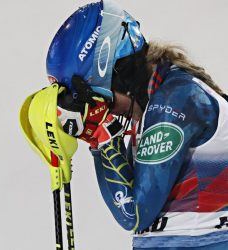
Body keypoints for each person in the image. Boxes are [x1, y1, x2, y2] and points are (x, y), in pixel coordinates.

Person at [46, 0, 228, 249]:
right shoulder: (158, 102)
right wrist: (100, 141)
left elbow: (134, 214)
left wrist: (102, 140)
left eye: (102, 99)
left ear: (120, 74)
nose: (103, 110)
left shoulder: (174, 101)